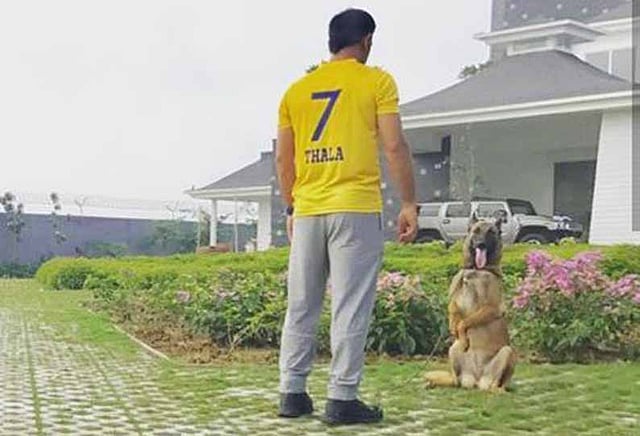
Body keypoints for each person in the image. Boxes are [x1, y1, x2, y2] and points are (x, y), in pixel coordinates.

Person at [276, 8, 417, 425]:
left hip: (308, 209)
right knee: (350, 305)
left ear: (331, 41)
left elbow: (284, 157)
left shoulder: (296, 91)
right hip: (354, 206)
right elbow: (394, 145)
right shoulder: (377, 82)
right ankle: (341, 397)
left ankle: (292, 392)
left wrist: (292, 206)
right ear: (367, 40)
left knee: (301, 303)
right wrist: (409, 202)